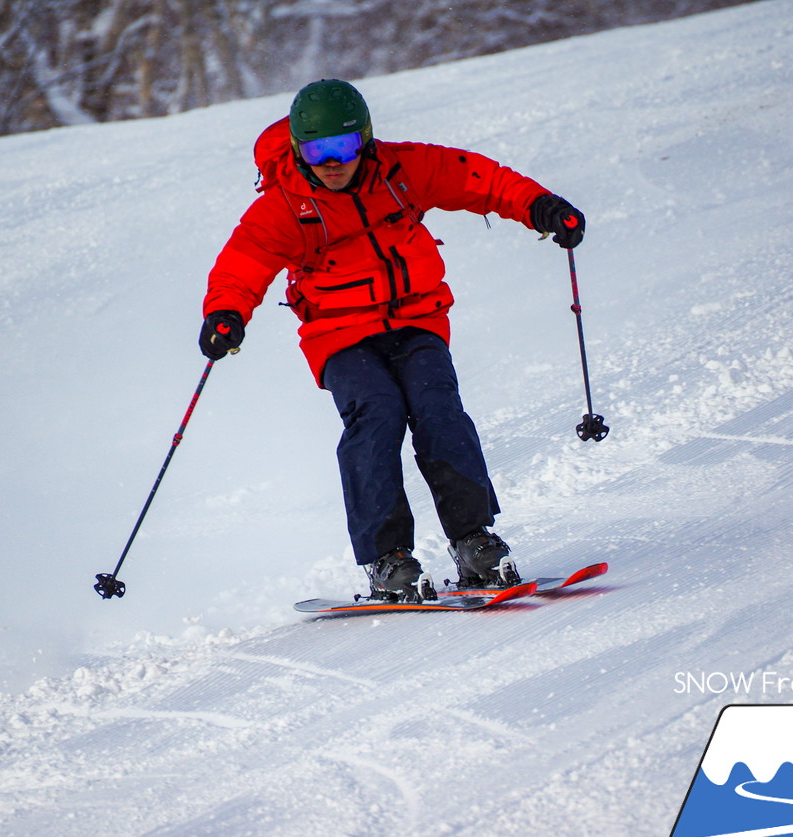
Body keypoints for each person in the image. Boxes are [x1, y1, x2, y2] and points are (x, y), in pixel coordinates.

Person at [198, 79, 585, 600]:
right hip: (338, 333)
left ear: (366, 140)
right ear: (296, 149)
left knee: (438, 408)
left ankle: (473, 541)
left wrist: (539, 205)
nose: (330, 162)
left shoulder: (402, 171)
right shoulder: (284, 205)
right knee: (376, 412)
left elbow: (477, 179)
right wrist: (226, 313)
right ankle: (387, 557)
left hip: (416, 318)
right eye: (315, 151)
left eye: (343, 147)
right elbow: (243, 263)